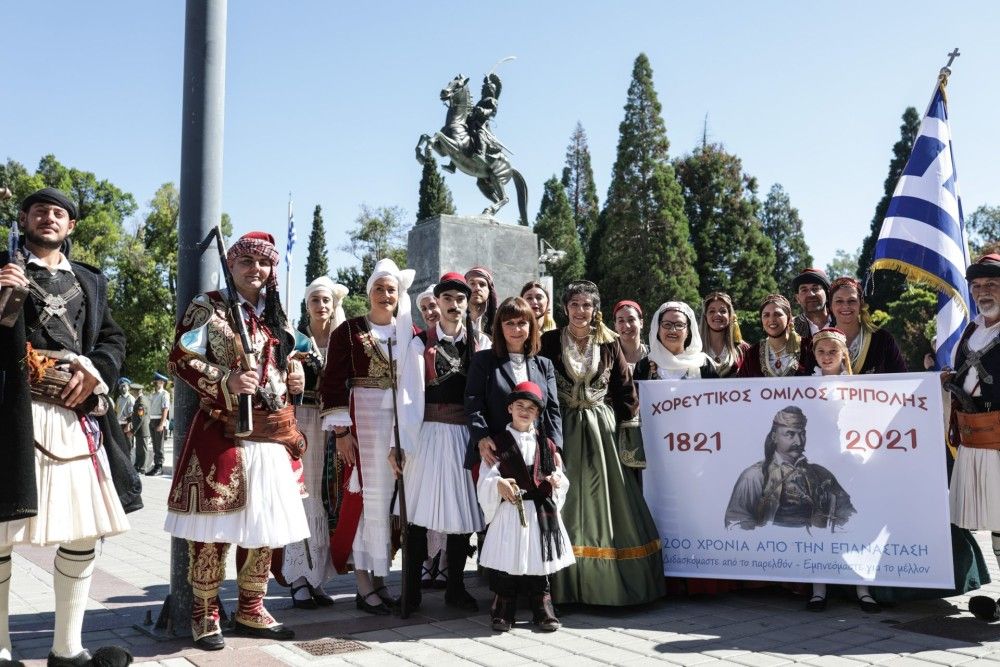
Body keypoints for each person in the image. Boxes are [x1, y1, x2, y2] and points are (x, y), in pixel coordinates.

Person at [0, 187, 139, 665]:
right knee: (1, 532)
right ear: (24, 218)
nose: (50, 217)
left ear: (71, 226)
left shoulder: (90, 282)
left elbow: (113, 338)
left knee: (82, 533)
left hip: (75, 416)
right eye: (40, 211)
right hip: (12, 413)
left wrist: (96, 368)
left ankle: (67, 649)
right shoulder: (3, 268)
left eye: (59, 213)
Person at [165, 231, 309, 650]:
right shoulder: (208, 307)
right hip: (223, 429)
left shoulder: (278, 316)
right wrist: (224, 379)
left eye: (263, 263)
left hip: (273, 435)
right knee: (214, 523)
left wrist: (297, 373)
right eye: (246, 261)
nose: (255, 269)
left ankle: (251, 605)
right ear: (231, 265)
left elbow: (290, 359)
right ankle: (205, 611)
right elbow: (180, 357)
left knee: (265, 524)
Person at [539, 280, 664, 605]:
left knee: (609, 508)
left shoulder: (609, 343)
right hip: (563, 430)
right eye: (575, 304)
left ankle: (608, 586)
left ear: (595, 310)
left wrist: (630, 438)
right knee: (563, 502)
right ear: (564, 308)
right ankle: (560, 588)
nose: (581, 311)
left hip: (602, 434)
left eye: (587, 305)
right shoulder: (548, 341)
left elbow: (626, 391)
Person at [319, 258, 415, 615]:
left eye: (391, 289)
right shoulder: (349, 331)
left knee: (389, 505)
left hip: (398, 423)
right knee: (365, 501)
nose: (385, 294)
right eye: (379, 288)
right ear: (369, 291)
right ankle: (363, 584)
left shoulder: (408, 333)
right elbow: (331, 380)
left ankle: (380, 578)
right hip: (363, 421)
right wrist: (342, 431)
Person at [395, 273, 491, 614]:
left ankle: (455, 588)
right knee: (418, 515)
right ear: (438, 302)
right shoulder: (421, 344)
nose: (454, 305)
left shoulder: (481, 345)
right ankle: (410, 592)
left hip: (465, 435)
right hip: (428, 434)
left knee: (461, 514)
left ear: (468, 304)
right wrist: (404, 444)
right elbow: (408, 398)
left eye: (460, 299)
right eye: (447, 298)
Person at [272, 276, 348, 610]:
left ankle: (316, 576)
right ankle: (298, 577)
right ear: (307, 305)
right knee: (299, 495)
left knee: (324, 499)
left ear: (334, 305)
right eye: (315, 300)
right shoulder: (295, 340)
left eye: (326, 300)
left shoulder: (342, 340)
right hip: (300, 419)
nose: (321, 306)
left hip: (332, 425)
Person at [478, 382, 575, 632]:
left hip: (540, 512)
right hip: (511, 511)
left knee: (539, 562)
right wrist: (498, 484)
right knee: (508, 564)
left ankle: (542, 609)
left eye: (531, 408)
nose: (524, 411)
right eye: (519, 405)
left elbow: (558, 475)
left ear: (538, 414)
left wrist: (556, 481)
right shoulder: (497, 443)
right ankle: (503, 609)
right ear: (509, 408)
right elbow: (486, 476)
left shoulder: (547, 444)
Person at [803, 328, 879, 613]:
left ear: (843, 354)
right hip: (817, 464)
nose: (826, 357)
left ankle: (863, 587)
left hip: (848, 463)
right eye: (821, 352)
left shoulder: (858, 388)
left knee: (853, 522)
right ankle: (819, 588)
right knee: (817, 522)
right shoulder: (803, 386)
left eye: (832, 352)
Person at [947, 254, 1000, 620]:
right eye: (978, 285)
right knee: (996, 521)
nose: (983, 291)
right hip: (974, 433)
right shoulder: (970, 330)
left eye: (992, 284)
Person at [466, 296, 562, 472]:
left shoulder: (544, 364)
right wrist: (481, 437)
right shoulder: (483, 360)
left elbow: (552, 411)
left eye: (522, 323)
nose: (516, 329)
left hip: (536, 454)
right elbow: (473, 402)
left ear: (531, 326)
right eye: (509, 323)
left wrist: (555, 447)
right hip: (494, 451)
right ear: (500, 327)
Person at [724, 405, 856, 532]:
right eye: (790, 434)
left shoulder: (822, 475)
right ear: (774, 437)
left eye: (802, 434)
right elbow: (736, 524)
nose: (799, 442)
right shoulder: (754, 476)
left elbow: (849, 516)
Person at [827, 276, 905, 374]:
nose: (846, 306)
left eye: (852, 300)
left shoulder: (882, 339)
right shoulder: (820, 342)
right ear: (830, 306)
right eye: (839, 301)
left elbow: (901, 377)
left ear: (861, 304)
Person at [634, 302, 718, 381]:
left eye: (679, 325)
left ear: (688, 331)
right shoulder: (643, 366)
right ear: (658, 329)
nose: (672, 330)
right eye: (667, 324)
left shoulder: (703, 363)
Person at [738, 294, 809, 378]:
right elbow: (741, 385)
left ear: (789, 318)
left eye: (777, 314)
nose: (771, 319)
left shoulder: (808, 347)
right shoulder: (753, 353)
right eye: (766, 315)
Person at [700, 292, 751, 378]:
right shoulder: (694, 349)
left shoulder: (743, 349)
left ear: (730, 316)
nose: (717, 314)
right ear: (705, 317)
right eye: (712, 311)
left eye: (723, 311)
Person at [792, 268, 834, 338]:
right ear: (797, 298)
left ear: (827, 294)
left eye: (815, 289)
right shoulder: (790, 328)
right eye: (804, 290)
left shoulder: (842, 322)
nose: (810, 294)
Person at [146, 371, 171, 476]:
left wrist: (162, 424)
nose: (155, 383)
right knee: (155, 445)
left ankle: (159, 467)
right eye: (155, 381)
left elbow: (165, 409)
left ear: (162, 382)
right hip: (152, 420)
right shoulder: (154, 394)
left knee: (159, 446)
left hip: (159, 420)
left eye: (158, 381)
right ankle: (156, 466)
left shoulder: (164, 394)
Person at [613, 300, 647, 370]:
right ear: (615, 326)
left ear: (641, 323)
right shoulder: (608, 357)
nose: (627, 326)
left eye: (631, 320)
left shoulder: (653, 356)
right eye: (621, 321)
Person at [465, 266, 498, 338]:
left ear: (489, 290)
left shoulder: (498, 319)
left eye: (482, 284)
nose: (477, 288)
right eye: (472, 284)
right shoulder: (457, 316)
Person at [129, 382, 151, 474]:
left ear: (137, 391)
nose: (132, 393)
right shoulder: (141, 399)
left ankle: (143, 467)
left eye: (133, 391)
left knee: (143, 449)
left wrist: (133, 430)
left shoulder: (141, 401)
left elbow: (140, 418)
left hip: (142, 430)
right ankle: (138, 465)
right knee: (139, 449)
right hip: (140, 430)